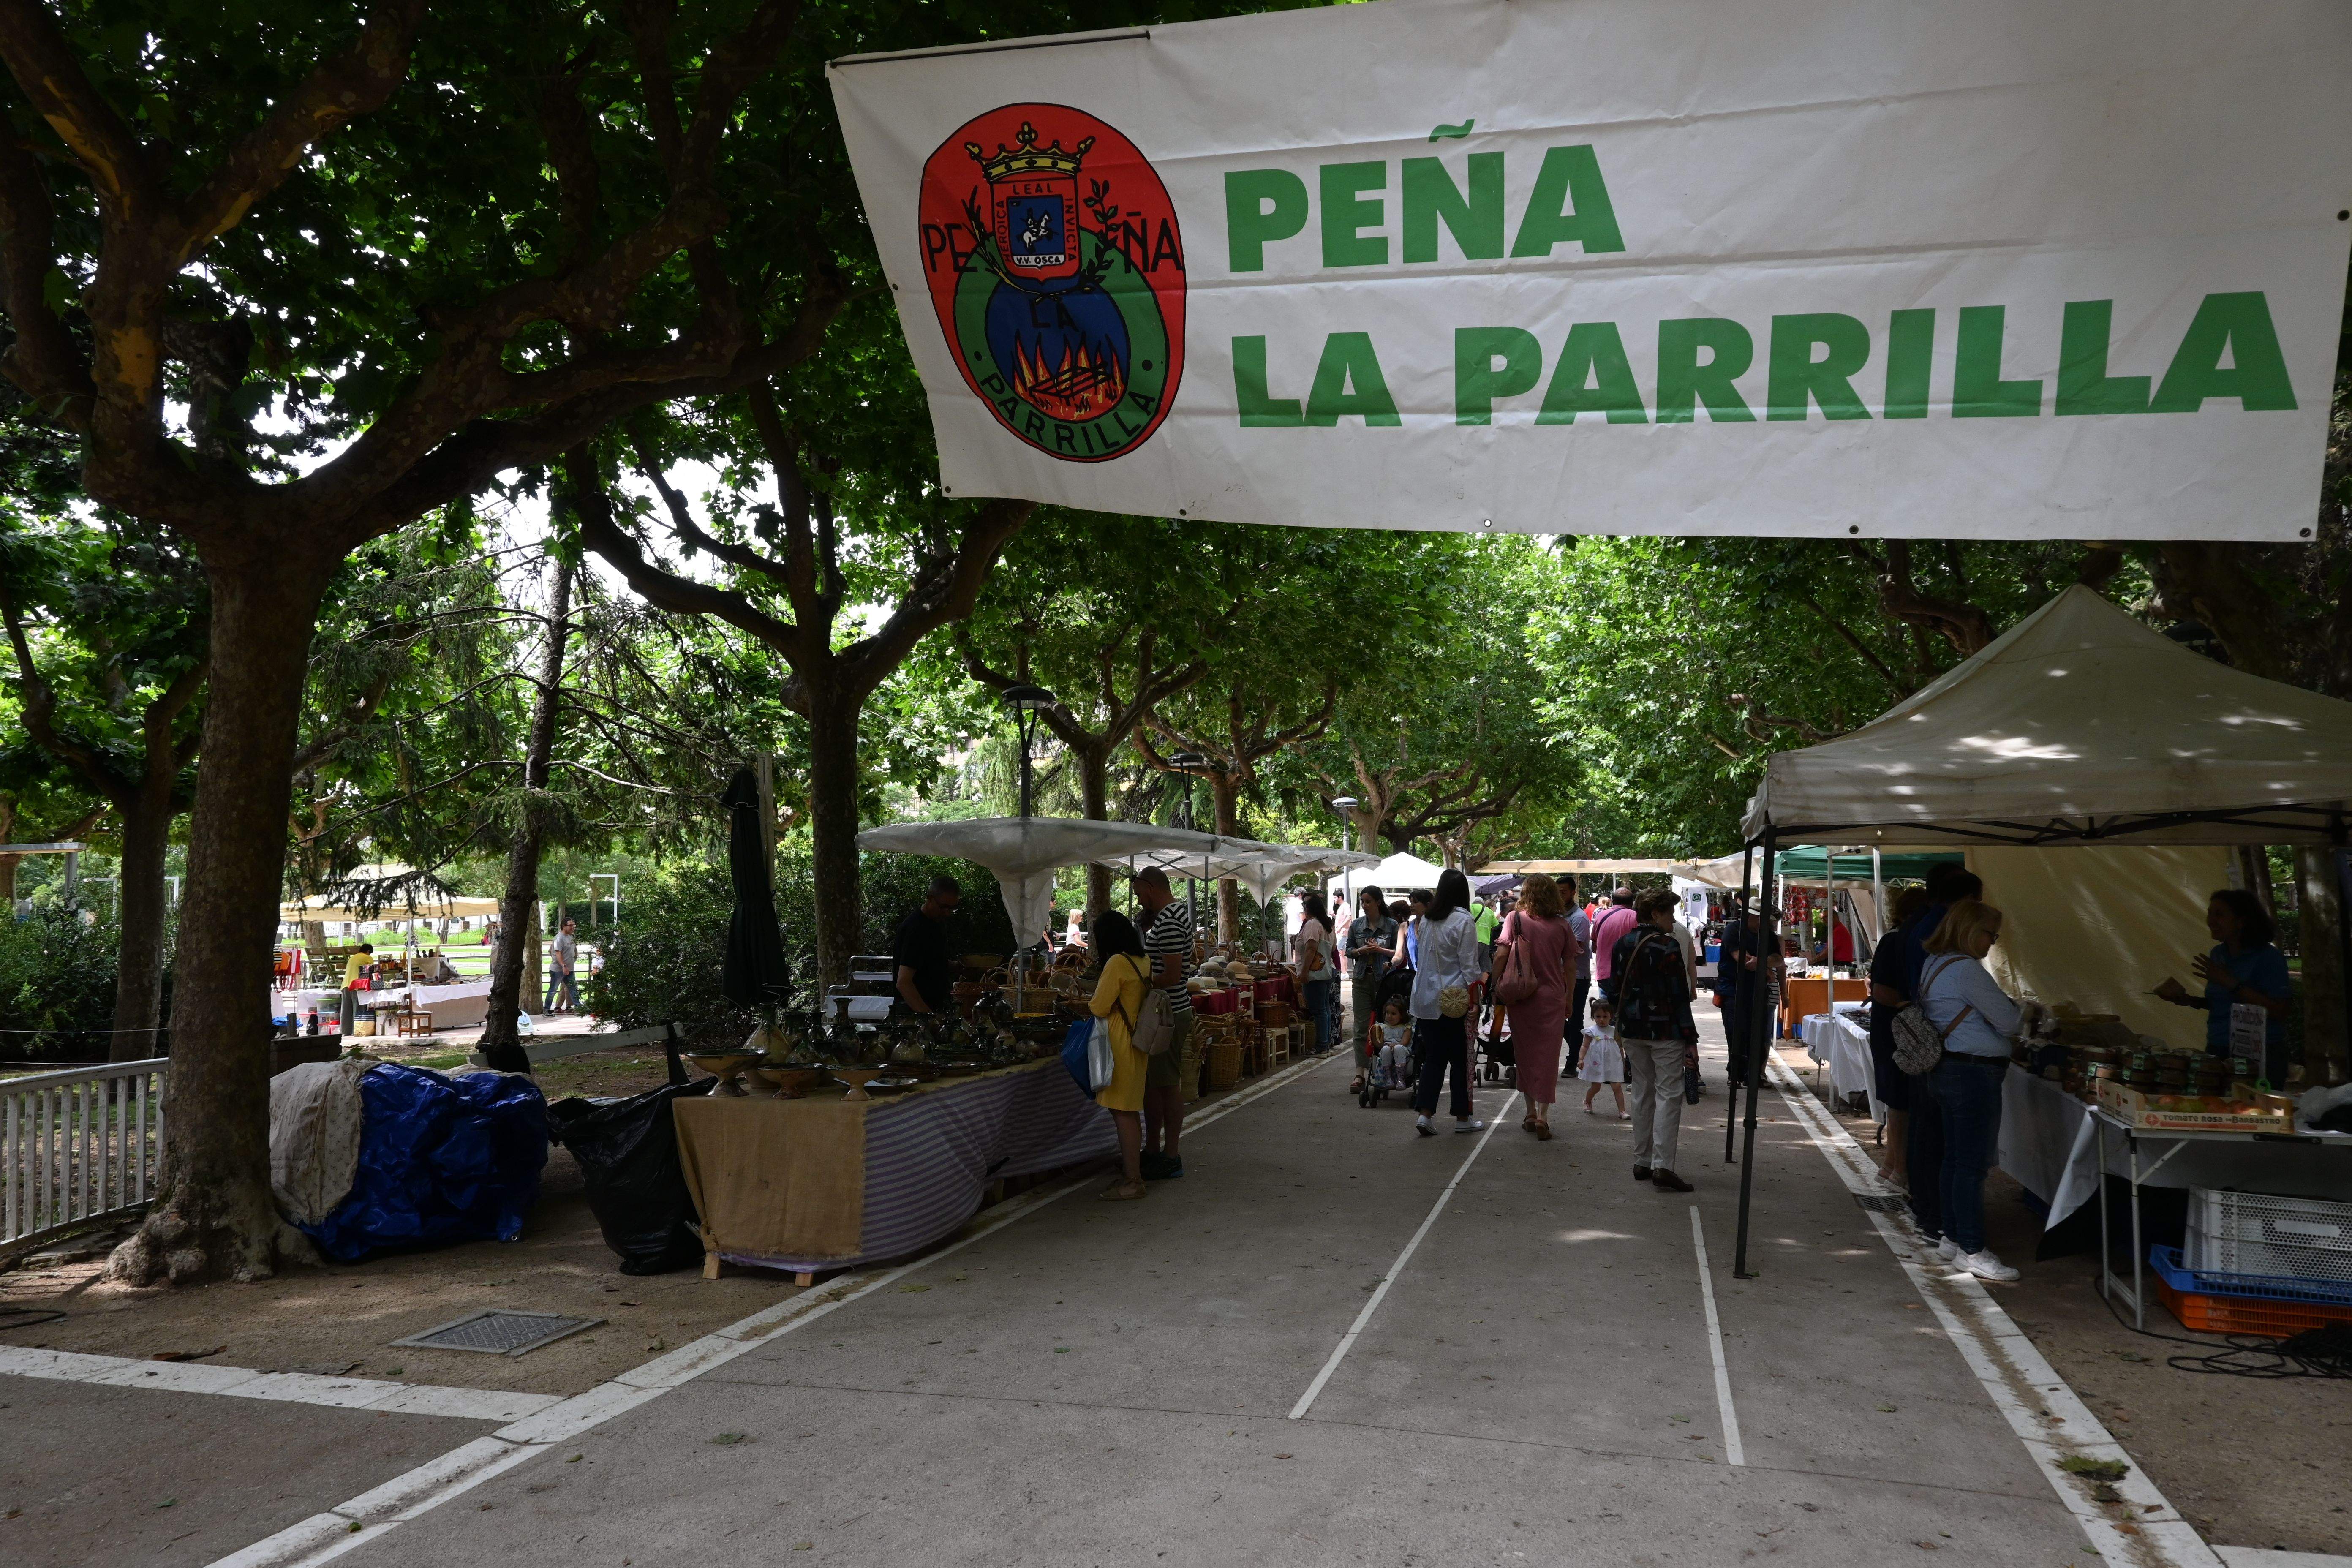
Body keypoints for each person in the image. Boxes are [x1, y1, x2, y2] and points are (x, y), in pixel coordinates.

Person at [1914, 901, 2022, 1282]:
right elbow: (2009, 1023)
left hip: (1948, 1068)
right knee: (1971, 1166)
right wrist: (2024, 1010)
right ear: (1970, 930)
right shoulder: (1965, 970)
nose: (1993, 943)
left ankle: (1953, 1237)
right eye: (1990, 935)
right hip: (1972, 1073)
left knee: (1955, 1160)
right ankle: (1973, 1248)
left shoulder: (1935, 963)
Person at [1899, 864, 1982, 1244]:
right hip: (1941, 1048)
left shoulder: (1921, 925)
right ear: (1966, 903)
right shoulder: (1940, 934)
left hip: (1927, 1042)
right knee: (1947, 1145)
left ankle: (1929, 1211)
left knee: (1929, 1133)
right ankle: (1939, 1218)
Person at [2156, 888, 2295, 1087]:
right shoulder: (2219, 954)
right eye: (2210, 913)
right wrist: (2188, 1000)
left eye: (2219, 915)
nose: (2211, 920)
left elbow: (2281, 1011)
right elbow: (2226, 1004)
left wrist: (2230, 982)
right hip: (2218, 1048)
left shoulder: (2267, 957)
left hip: (2259, 1054)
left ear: (2241, 921)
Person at [1614, 889, 1700, 1192]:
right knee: (1668, 1094)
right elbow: (1679, 998)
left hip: (1632, 1030)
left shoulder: (1623, 944)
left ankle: (1642, 1160)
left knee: (1641, 1092)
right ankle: (1663, 1166)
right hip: (1666, 1032)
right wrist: (1691, 1038)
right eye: (1668, 913)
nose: (1672, 918)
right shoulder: (1669, 947)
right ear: (1655, 914)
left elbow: (1613, 989)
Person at [1491, 872, 1573, 1139]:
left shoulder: (1515, 919)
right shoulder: (1562, 925)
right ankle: (1543, 1117)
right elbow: (1570, 966)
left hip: (1521, 996)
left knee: (1524, 1055)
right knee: (1548, 1059)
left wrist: (1494, 987)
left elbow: (1502, 954)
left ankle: (1528, 1112)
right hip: (1552, 998)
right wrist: (1570, 999)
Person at [1410, 868, 1486, 1137]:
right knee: (1460, 1059)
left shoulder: (1427, 920)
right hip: (1453, 1001)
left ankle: (1425, 1114)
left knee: (1434, 1058)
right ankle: (1463, 1117)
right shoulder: (1463, 920)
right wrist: (1475, 1001)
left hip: (1424, 1000)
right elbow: (1470, 967)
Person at [1131, 869, 1196, 1181]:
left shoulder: (1169, 920)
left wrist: (1136, 983)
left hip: (1167, 1012)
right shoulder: (1174, 912)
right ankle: (1155, 1152)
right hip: (1169, 1010)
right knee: (1157, 1085)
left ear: (1150, 887)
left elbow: (1171, 975)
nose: (1138, 899)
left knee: (1168, 1086)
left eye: (1139, 893)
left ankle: (1170, 1156)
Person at [1085, 910, 1154, 1202]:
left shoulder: (1116, 962)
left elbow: (1099, 1007)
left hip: (1120, 1044)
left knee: (1124, 1114)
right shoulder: (1142, 959)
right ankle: (1132, 1174)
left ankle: (1133, 1181)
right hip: (1138, 1043)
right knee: (1128, 1112)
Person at [1866, 886, 1932, 1192]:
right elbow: (1882, 992)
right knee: (1901, 1101)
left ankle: (1892, 1166)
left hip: (1891, 1030)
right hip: (1897, 1032)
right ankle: (1899, 1170)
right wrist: (1917, 1008)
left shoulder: (1896, 940)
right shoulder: (1896, 941)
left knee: (1898, 1102)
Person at [1346, 885, 1396, 1093]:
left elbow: (1399, 952)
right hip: (1361, 980)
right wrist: (1361, 950)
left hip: (1384, 981)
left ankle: (1385, 1070)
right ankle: (1360, 1073)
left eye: (1368, 901)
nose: (1365, 905)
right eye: (1362, 901)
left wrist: (1379, 950)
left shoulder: (1392, 926)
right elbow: (1348, 950)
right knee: (1361, 1028)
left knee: (1386, 1025)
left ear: (1378, 902)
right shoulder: (1356, 925)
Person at [892, 875, 961, 1015]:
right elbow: (904, 983)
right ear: (930, 898)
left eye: (953, 908)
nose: (947, 913)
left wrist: (958, 966)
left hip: (933, 1008)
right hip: (912, 1017)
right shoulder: (916, 929)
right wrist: (931, 1019)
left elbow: (928, 960)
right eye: (944, 907)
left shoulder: (937, 922)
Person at [1293, 889, 1337, 1053]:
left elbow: (1311, 949)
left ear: (1308, 910)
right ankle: (1324, 1044)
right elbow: (1332, 948)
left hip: (1316, 974)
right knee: (1324, 1009)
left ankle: (1321, 1047)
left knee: (1318, 1010)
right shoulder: (1327, 925)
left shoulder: (1312, 924)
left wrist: (1304, 972)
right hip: (1327, 971)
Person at [1579, 998, 1627, 1119]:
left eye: (1605, 1016)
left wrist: (1623, 1062)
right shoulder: (1591, 1031)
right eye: (1598, 1016)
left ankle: (1622, 1111)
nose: (1601, 1020)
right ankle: (1588, 1101)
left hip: (1613, 1062)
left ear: (1611, 1016)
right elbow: (1585, 1046)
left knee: (1617, 1086)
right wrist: (1581, 1059)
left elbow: (1620, 1047)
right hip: (1598, 1063)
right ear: (1593, 1017)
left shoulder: (1614, 1031)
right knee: (1596, 1086)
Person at [1590, 887, 1639, 1003]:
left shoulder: (1601, 916)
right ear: (1632, 902)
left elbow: (1595, 948)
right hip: (1629, 975)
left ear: (1612, 901)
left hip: (1604, 974)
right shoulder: (1636, 917)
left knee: (1607, 1014)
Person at [1564, 896, 1593, 1073]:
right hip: (1560, 976)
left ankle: (1573, 1060)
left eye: (1564, 892)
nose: (1560, 896)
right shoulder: (1559, 916)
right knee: (1557, 1017)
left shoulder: (1579, 918)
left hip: (1578, 977)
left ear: (1572, 893)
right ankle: (1580, 1048)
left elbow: (1576, 947)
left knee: (1574, 1019)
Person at [1371, 998, 1414, 1092]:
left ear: (1402, 1016)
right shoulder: (1383, 1028)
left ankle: (1400, 1078)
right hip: (1388, 1052)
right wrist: (1375, 1037)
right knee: (1385, 1049)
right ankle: (1389, 1078)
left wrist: (1395, 1045)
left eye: (1394, 1014)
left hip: (1403, 1051)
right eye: (1388, 1013)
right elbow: (1380, 1044)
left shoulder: (1406, 1027)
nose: (1390, 1016)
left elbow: (1405, 1042)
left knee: (1398, 1048)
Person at [544, 917, 580, 1014]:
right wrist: (563, 966)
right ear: (564, 927)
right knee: (553, 990)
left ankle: (579, 1007)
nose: (573, 927)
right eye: (571, 926)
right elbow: (558, 953)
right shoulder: (559, 938)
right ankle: (547, 1009)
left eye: (574, 925)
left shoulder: (571, 936)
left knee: (573, 988)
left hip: (570, 969)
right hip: (558, 970)